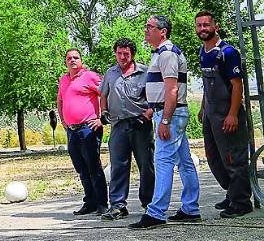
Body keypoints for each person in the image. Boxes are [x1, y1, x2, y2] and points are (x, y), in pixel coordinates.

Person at [130, 15, 201, 230]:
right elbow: (165, 89)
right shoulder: (162, 53)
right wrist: (153, 108)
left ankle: (157, 212)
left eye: (149, 27)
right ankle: (190, 208)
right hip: (167, 112)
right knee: (185, 162)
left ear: (163, 31)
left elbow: (172, 89)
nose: (145, 30)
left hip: (171, 115)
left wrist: (165, 119)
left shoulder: (167, 54)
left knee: (163, 161)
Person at [195, 10, 253, 218]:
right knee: (214, 158)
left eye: (206, 25)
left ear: (215, 27)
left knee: (233, 158)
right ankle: (232, 193)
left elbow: (237, 86)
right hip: (211, 114)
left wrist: (233, 114)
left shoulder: (227, 52)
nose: (202, 29)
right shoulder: (203, 52)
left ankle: (241, 202)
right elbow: (205, 84)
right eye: (199, 25)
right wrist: (203, 108)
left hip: (227, 114)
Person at [99, 38, 155, 221]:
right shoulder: (110, 73)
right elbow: (103, 95)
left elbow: (155, 97)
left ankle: (149, 203)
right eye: (119, 53)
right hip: (118, 126)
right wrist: (104, 111)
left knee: (146, 165)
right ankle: (117, 206)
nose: (122, 57)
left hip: (141, 125)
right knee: (118, 166)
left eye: (126, 54)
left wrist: (148, 113)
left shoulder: (145, 72)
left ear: (133, 55)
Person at [57, 48, 108, 216]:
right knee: (81, 168)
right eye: (69, 58)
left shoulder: (90, 76)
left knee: (93, 166)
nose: (73, 60)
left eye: (76, 57)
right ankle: (90, 202)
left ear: (81, 60)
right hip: (71, 131)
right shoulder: (63, 79)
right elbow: (60, 100)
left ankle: (102, 203)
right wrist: (63, 120)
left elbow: (105, 93)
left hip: (88, 128)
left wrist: (101, 118)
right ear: (65, 61)